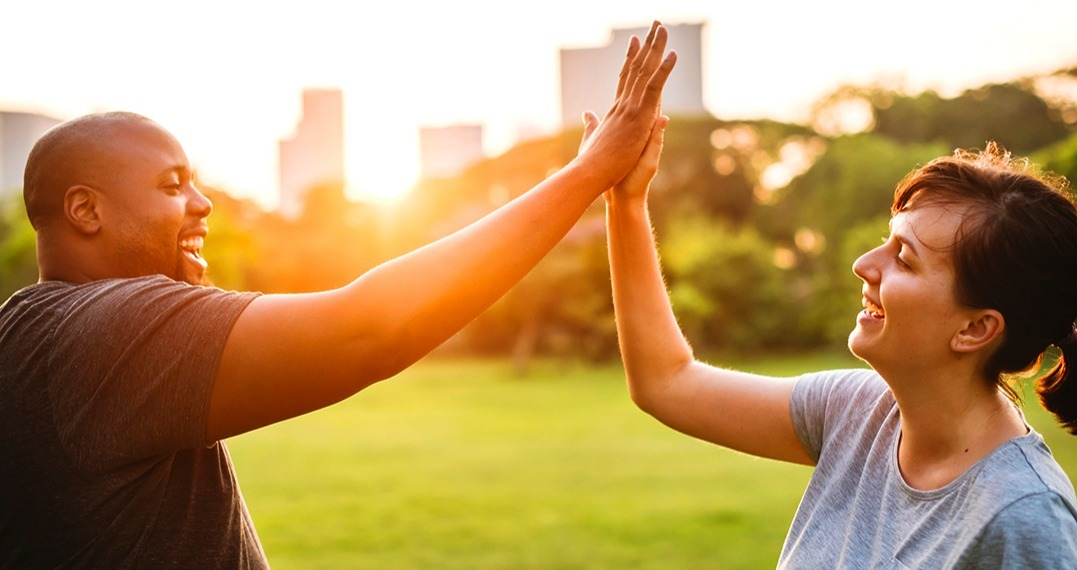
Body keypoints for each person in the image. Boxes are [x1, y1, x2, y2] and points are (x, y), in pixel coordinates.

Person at [0, 23, 676, 567]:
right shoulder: (96, 334)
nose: (203, 203)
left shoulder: (34, 332)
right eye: (173, 186)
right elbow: (367, 330)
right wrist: (589, 173)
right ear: (85, 211)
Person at [592, 103, 1077, 567]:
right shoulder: (856, 411)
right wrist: (627, 200)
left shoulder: (1024, 517)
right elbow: (667, 381)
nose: (863, 265)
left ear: (975, 328)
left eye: (905, 259)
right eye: (885, 241)